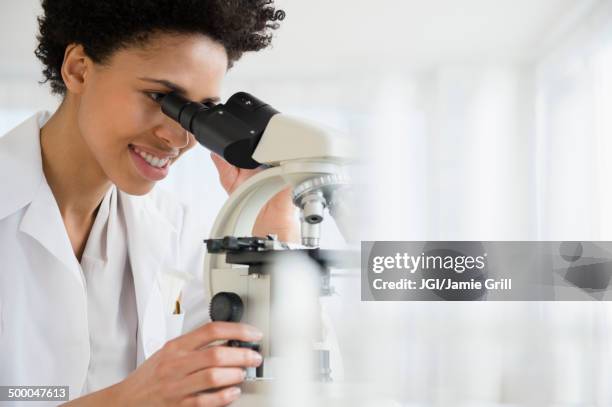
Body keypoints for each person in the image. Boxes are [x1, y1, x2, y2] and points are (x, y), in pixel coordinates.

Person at [0, 1, 298, 405]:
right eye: (160, 96)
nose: (180, 138)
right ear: (78, 69)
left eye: (202, 111)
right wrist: (126, 399)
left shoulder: (175, 229)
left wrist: (271, 225)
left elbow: (253, 379)